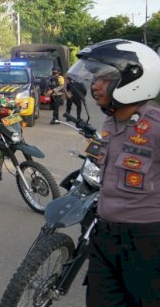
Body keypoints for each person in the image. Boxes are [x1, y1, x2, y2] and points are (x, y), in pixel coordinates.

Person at [67, 39, 160, 305]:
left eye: (104, 78)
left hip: (147, 244)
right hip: (105, 238)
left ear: (134, 79)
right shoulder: (110, 123)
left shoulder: (155, 127)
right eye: (94, 78)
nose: (94, 85)